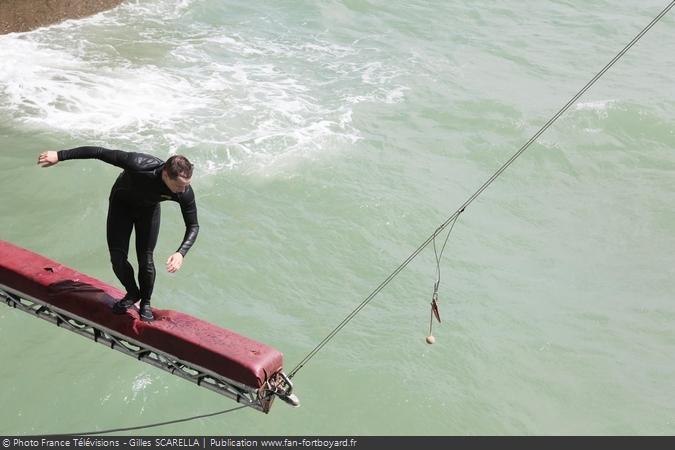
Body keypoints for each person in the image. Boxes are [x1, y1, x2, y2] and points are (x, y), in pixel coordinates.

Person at [37, 146, 199, 322]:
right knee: (117, 259)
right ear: (166, 175)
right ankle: (132, 293)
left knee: (146, 259)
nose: (183, 191)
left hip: (148, 212)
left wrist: (180, 253)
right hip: (121, 206)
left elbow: (193, 225)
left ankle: (146, 302)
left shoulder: (184, 192)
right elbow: (98, 153)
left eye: (186, 185)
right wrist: (59, 156)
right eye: (180, 186)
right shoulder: (138, 164)